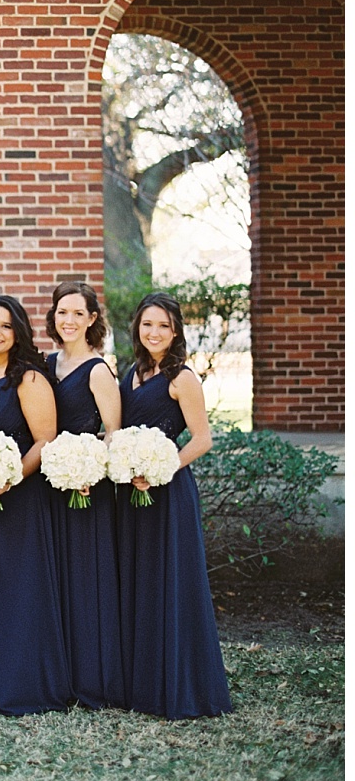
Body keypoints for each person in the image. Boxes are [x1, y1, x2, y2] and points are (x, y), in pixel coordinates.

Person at [116, 292, 232, 718]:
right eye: (147, 324)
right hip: (131, 492)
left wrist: (163, 468)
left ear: (176, 330)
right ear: (137, 329)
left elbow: (202, 439)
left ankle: (182, 685)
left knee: (172, 582)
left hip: (167, 492)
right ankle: (141, 684)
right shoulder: (132, 374)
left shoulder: (183, 378)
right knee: (139, 580)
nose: (154, 332)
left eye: (163, 325)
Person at [0, 295, 71, 715]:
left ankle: (22, 683)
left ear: (17, 332)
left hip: (19, 498)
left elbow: (45, 438)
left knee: (16, 590)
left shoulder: (28, 378)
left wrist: (9, 480)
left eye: (5, 326)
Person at [44, 280, 125, 709]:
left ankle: (94, 678)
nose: (69, 320)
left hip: (85, 487)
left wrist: (89, 471)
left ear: (92, 319)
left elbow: (112, 432)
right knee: (56, 578)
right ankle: (61, 673)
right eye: (62, 313)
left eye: (78, 313)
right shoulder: (46, 363)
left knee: (85, 579)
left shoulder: (98, 370)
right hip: (50, 484)